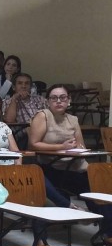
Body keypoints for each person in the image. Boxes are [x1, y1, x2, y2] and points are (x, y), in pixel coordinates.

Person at [0, 92, 78, 243]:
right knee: (32, 188)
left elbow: (16, 152)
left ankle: (42, 239)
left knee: (34, 177)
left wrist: (19, 168)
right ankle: (65, 205)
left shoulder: (3, 126)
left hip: (10, 171)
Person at [29, 84, 112, 231]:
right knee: (48, 179)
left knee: (99, 189)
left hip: (75, 166)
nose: (59, 101)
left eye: (63, 98)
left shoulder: (73, 119)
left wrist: (78, 149)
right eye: (54, 98)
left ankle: (107, 234)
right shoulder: (43, 116)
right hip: (52, 167)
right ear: (48, 101)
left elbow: (81, 145)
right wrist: (62, 147)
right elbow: (34, 144)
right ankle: (72, 208)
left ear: (69, 100)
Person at [1, 73, 47, 149]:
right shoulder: (7, 101)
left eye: (27, 83)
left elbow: (50, 117)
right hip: (20, 135)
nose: (23, 86)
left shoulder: (40, 100)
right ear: (13, 87)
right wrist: (14, 100)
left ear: (31, 87)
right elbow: (9, 120)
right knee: (30, 129)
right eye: (20, 83)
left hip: (42, 131)